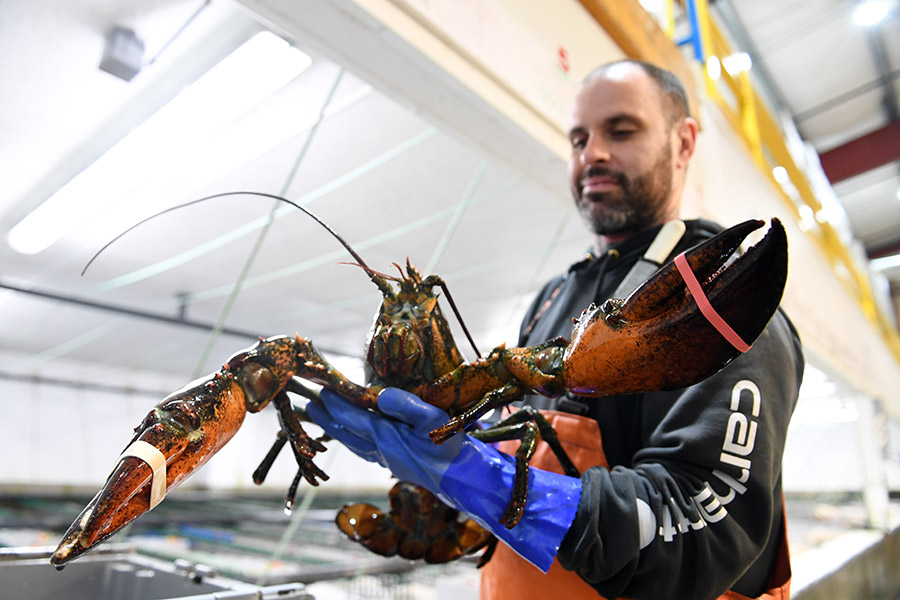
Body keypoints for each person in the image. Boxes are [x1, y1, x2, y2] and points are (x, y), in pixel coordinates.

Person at [308, 60, 803, 600]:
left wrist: (495, 485)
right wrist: (452, 467)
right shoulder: (552, 297)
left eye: (621, 131)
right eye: (578, 139)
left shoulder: (718, 305)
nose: (593, 154)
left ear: (683, 142)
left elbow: (707, 535)